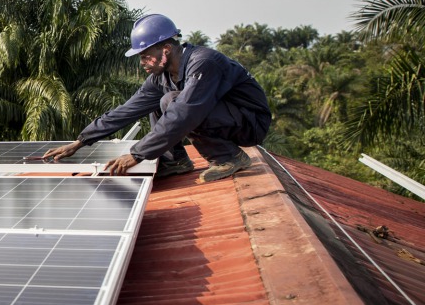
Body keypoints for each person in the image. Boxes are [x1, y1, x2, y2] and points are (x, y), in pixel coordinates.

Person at [43, 14, 271, 183]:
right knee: (162, 100)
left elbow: (184, 113)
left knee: (171, 102)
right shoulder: (161, 77)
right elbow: (127, 110)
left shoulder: (203, 62)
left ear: (167, 49)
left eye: (146, 57)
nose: (143, 63)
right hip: (224, 117)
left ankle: (229, 158)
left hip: (250, 122)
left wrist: (137, 154)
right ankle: (175, 161)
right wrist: (81, 140)